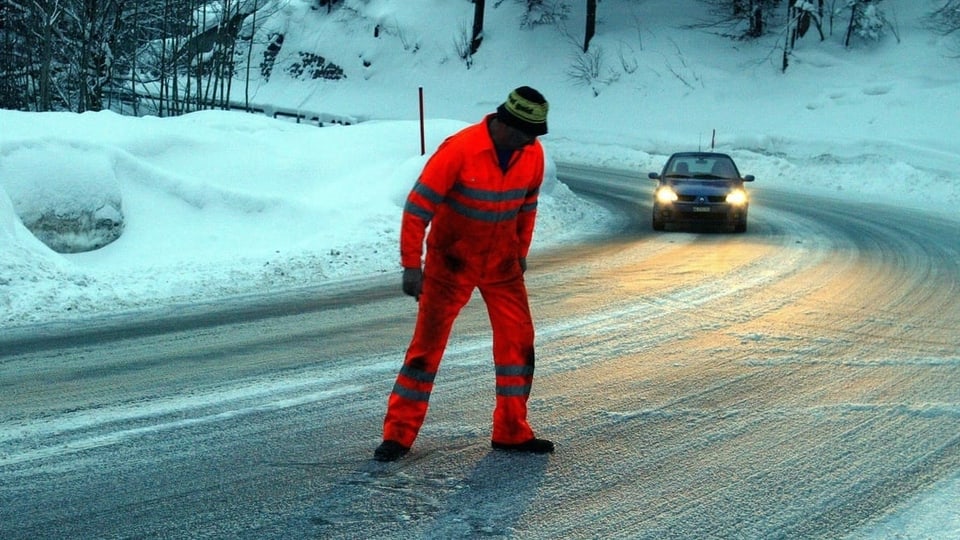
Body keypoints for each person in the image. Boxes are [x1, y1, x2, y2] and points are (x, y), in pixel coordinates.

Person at [374, 86, 555, 462]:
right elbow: (417, 209)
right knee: (426, 350)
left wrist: (520, 253)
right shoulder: (460, 150)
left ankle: (511, 431)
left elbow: (528, 207)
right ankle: (398, 435)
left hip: (502, 265)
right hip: (450, 262)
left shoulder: (532, 154)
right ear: (507, 123)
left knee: (518, 345)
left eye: (536, 136)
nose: (532, 142)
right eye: (528, 133)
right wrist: (412, 266)